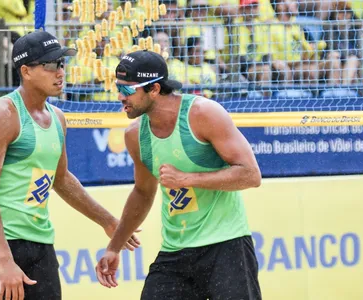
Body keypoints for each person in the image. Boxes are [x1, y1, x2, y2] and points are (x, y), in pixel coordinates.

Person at [0, 30, 140, 300]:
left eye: (62, 64)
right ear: (26, 71)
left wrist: (108, 221)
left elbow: (62, 179)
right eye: (51, 65)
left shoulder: (57, 118)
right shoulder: (2, 115)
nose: (60, 72)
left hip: (39, 244)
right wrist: (4, 260)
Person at [95, 50, 263, 299]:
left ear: (154, 89)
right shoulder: (134, 135)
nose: (120, 97)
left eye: (128, 90)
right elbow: (143, 193)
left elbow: (250, 175)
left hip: (226, 245)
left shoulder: (203, 114)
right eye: (118, 88)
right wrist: (114, 247)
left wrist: (188, 179)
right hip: (176, 251)